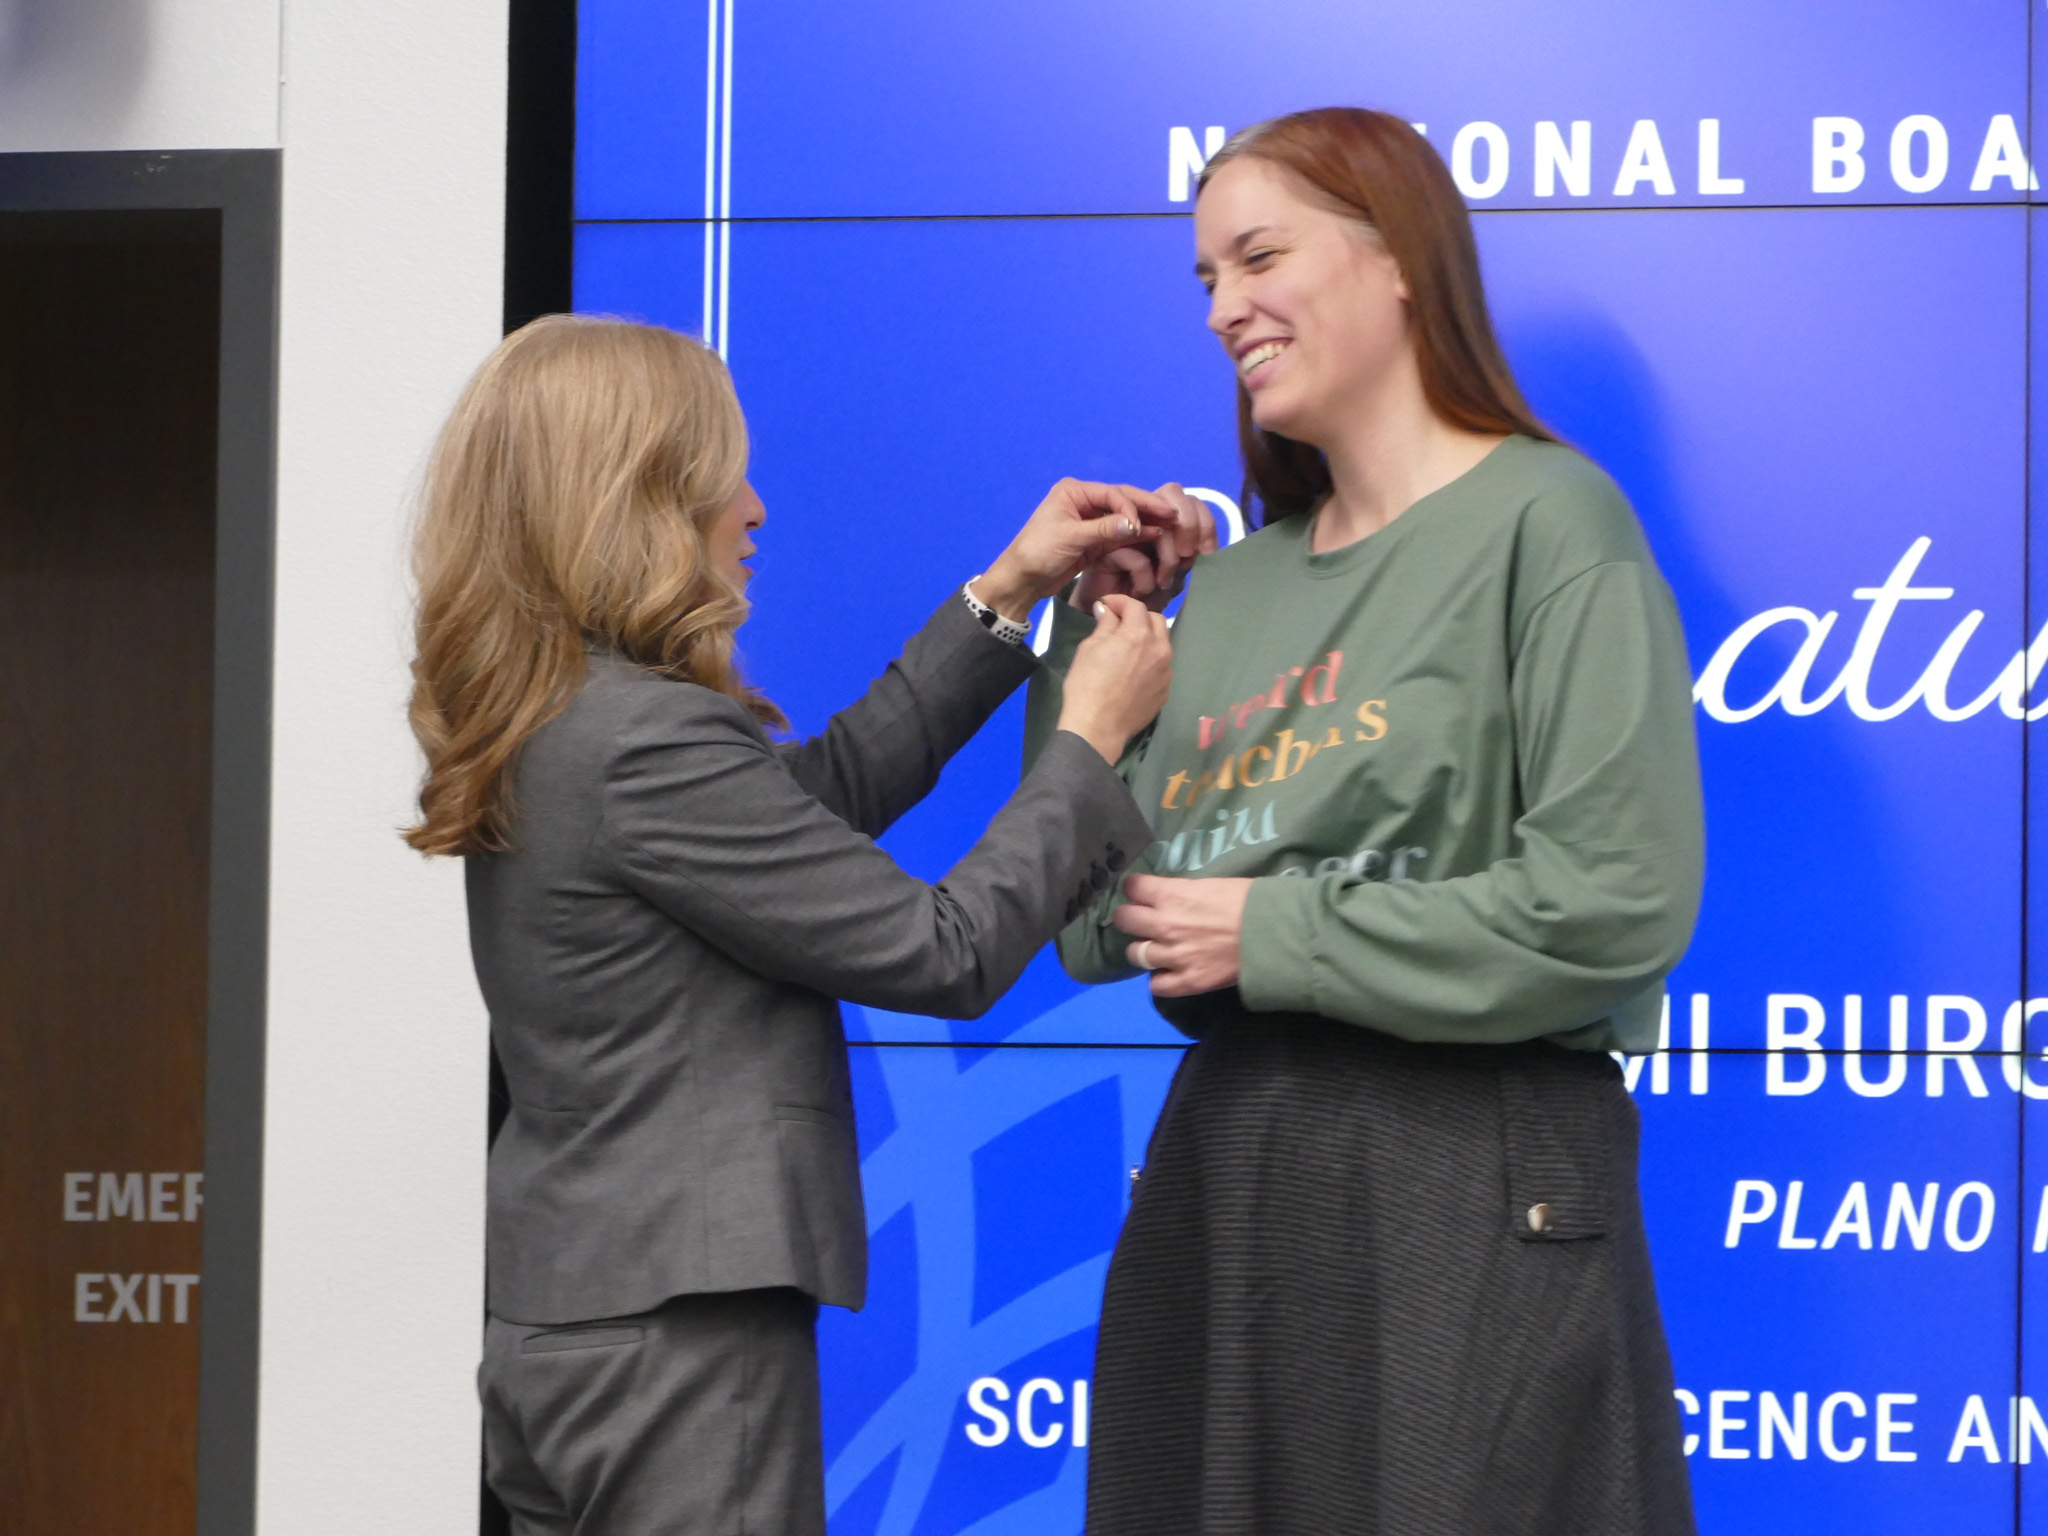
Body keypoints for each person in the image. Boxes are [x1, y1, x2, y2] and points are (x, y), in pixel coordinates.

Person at [1031, 109, 1706, 1535]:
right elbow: (1093, 930)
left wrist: (1276, 930)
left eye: (1258, 255)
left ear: (1399, 256)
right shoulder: (1244, 587)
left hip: (1471, 1180)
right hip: (1234, 1179)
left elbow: (1616, 901)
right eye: (1205, 277)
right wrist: (1090, 656)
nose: (1224, 308)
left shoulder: (1552, 518)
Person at [403, 315, 1188, 1535]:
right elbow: (947, 949)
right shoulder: (642, 741)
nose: (755, 508)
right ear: (638, 498)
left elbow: (806, 811)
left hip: (578, 1331)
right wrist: (1091, 735)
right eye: (723, 475)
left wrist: (1006, 595)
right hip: (675, 1351)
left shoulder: (567, 719)